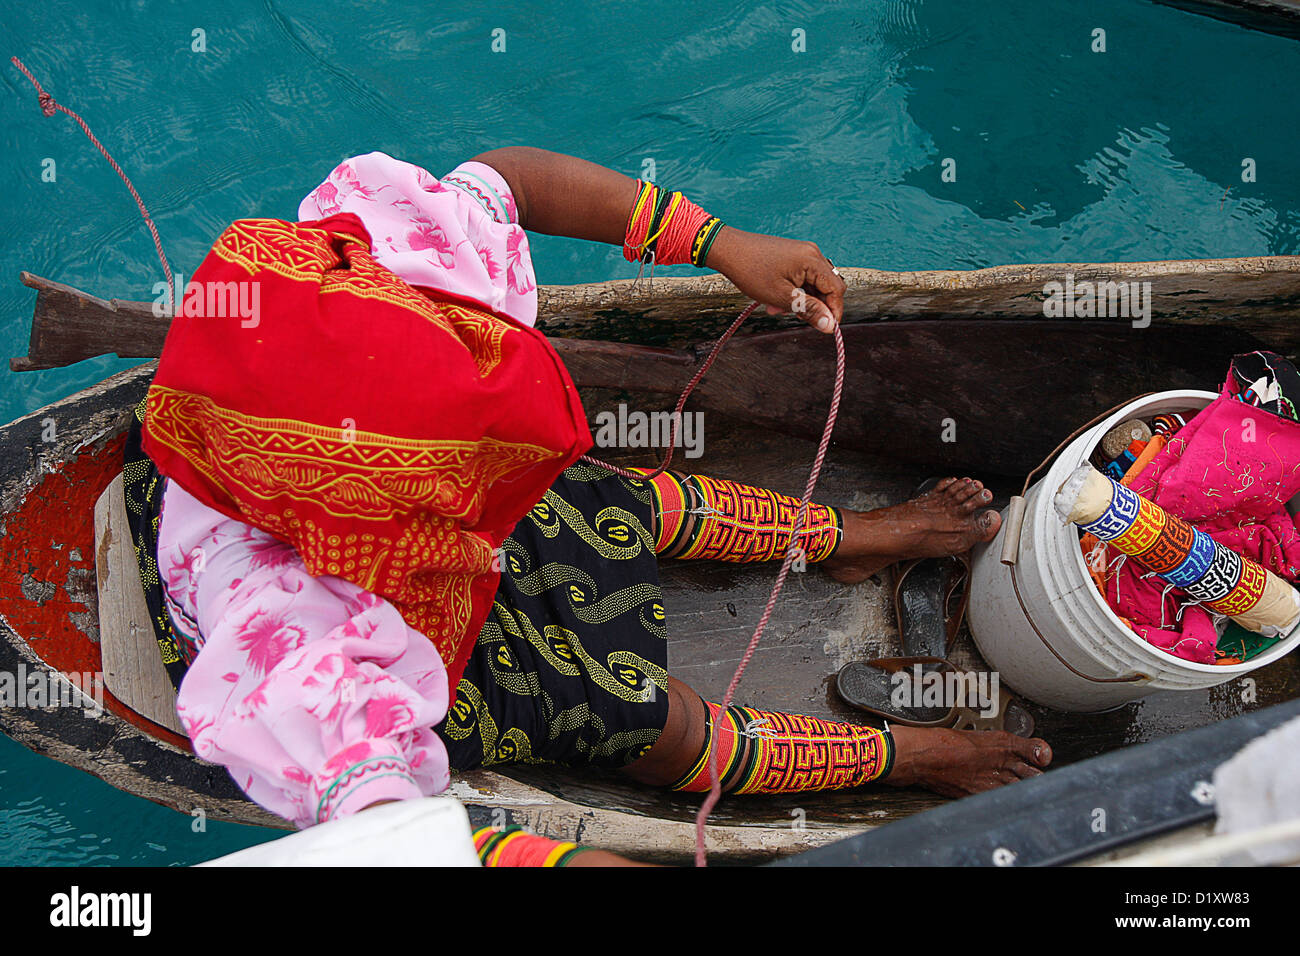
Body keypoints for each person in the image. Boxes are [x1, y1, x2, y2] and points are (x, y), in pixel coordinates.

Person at [124, 147, 1051, 865]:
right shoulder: (293, 645)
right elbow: (389, 835)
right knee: (648, 722)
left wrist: (718, 243)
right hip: (396, 629)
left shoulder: (378, 280)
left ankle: (852, 538)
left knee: (613, 503)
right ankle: (913, 758)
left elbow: (512, 182)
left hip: (374, 514)